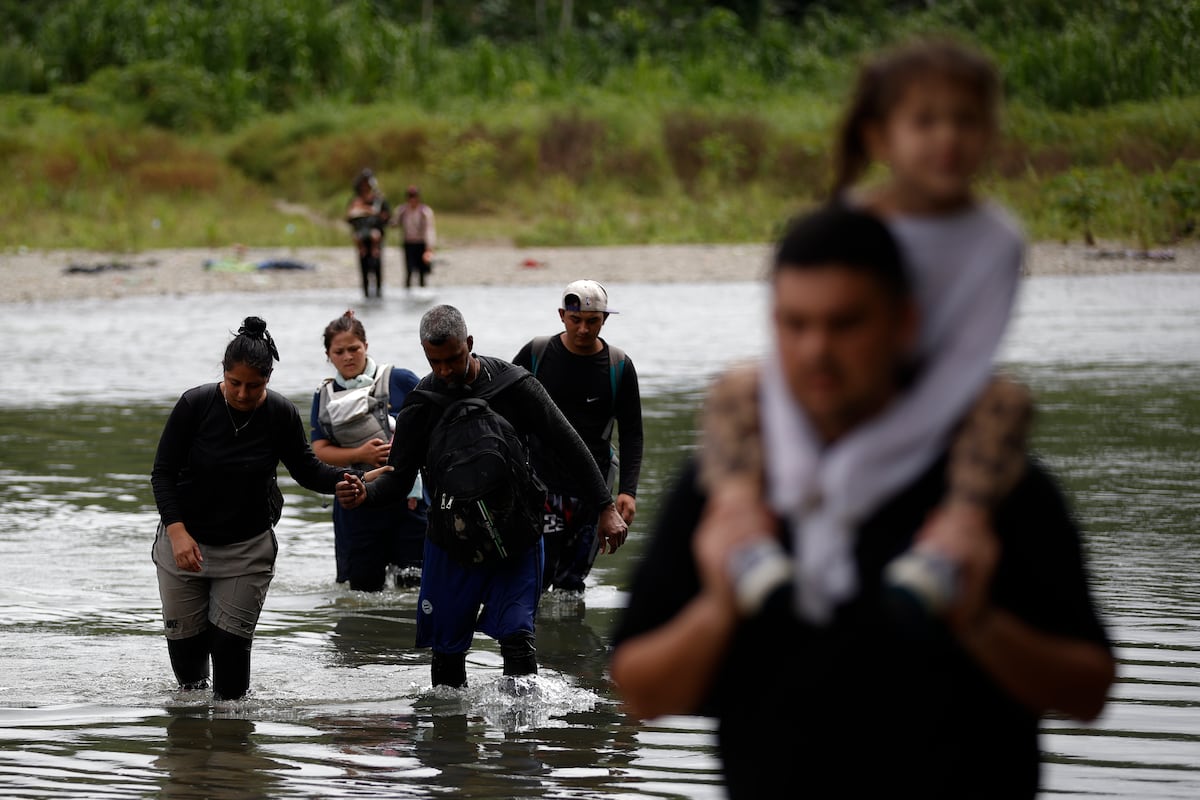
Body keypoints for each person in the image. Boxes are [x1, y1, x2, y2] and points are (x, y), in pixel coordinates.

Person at [609, 206, 1116, 798]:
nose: (816, 350)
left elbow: (1088, 694)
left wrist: (978, 622)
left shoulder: (990, 485)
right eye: (795, 324)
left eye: (845, 324)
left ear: (905, 322)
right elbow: (641, 692)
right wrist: (720, 606)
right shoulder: (726, 486)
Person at [335, 305, 629, 689]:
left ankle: (523, 740)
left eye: (453, 359)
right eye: (434, 361)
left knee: (518, 640)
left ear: (469, 344)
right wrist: (364, 493)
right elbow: (397, 479)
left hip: (516, 536)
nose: (444, 370)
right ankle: (448, 739)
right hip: (449, 542)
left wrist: (605, 507)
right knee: (446, 655)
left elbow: (570, 446)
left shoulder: (515, 386)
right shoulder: (421, 404)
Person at [150, 316, 363, 700]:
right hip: (183, 545)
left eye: (255, 386)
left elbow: (307, 470)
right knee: (190, 679)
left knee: (231, 682)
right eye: (235, 384)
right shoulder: (194, 405)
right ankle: (191, 753)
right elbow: (162, 474)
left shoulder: (279, 413)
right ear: (224, 375)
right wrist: (177, 532)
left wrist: (346, 481)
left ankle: (234, 753)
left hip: (247, 549)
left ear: (268, 379)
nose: (244, 394)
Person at [512, 279, 643, 595]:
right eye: (576, 320)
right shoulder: (536, 354)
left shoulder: (619, 366)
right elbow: (506, 412)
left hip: (593, 494)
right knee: (535, 582)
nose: (583, 329)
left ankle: (569, 642)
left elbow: (632, 432)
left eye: (592, 321)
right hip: (541, 488)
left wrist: (627, 491)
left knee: (572, 587)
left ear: (604, 320)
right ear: (562, 316)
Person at [310, 309, 427, 591]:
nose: (348, 356)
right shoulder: (323, 395)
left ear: (366, 347)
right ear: (328, 355)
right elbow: (319, 449)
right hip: (354, 502)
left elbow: (431, 427)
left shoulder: (400, 380)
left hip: (407, 501)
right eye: (339, 351)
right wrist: (360, 455)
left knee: (414, 586)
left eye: (354, 349)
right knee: (362, 588)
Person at [346, 169, 391, 298]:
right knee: (364, 267)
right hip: (362, 238)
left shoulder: (379, 201)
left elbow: (387, 217)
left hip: (376, 239)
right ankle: (365, 294)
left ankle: (378, 293)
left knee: (377, 267)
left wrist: (377, 215)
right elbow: (349, 218)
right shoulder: (355, 201)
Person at [394, 185, 436, 290]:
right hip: (408, 243)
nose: (412, 199)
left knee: (422, 271)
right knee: (409, 270)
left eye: (414, 196)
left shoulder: (425, 212)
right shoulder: (402, 210)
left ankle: (422, 292)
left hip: (421, 243)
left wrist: (429, 248)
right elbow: (394, 223)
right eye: (410, 196)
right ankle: (407, 292)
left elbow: (429, 230)